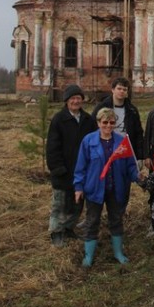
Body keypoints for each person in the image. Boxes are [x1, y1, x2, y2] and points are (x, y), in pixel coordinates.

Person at [74, 107, 142, 267]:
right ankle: (88, 256)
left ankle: (118, 253)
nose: (108, 126)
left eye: (112, 122)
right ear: (98, 123)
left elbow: (130, 166)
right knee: (92, 221)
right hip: (94, 189)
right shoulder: (88, 141)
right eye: (105, 122)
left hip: (115, 189)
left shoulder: (121, 142)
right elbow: (80, 167)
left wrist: (138, 176)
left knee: (116, 220)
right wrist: (78, 187)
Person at [46, 85, 96, 246]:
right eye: (72, 98)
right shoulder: (59, 119)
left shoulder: (88, 120)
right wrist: (57, 168)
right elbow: (52, 147)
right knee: (60, 204)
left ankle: (68, 228)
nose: (76, 101)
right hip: (63, 170)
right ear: (67, 101)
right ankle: (56, 232)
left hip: (82, 171)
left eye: (78, 98)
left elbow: (94, 143)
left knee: (77, 204)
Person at [91, 77, 144, 163]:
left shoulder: (132, 110)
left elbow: (138, 133)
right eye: (119, 88)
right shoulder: (102, 107)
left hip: (126, 149)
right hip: (106, 147)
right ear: (113, 90)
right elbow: (92, 127)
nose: (121, 91)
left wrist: (140, 156)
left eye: (124, 89)